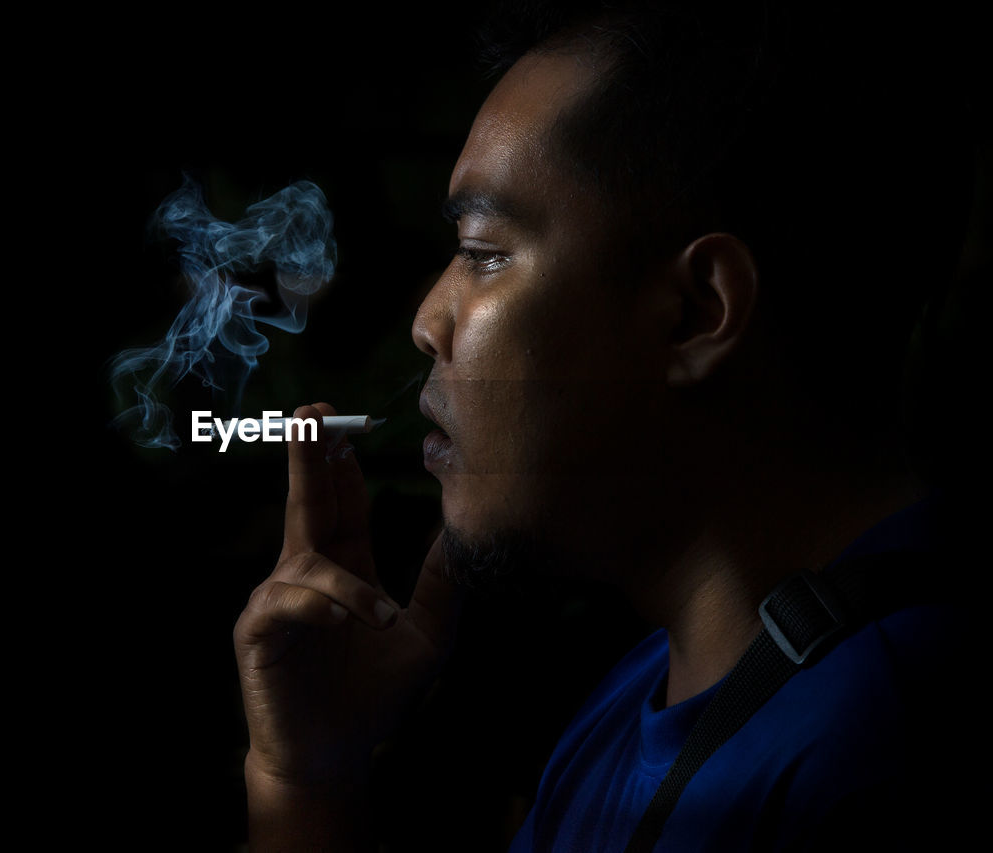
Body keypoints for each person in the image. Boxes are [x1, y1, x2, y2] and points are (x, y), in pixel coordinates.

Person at [232, 1, 981, 849]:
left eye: (483, 253)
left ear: (697, 310)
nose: (428, 320)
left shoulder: (882, 756)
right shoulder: (642, 699)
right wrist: (306, 782)